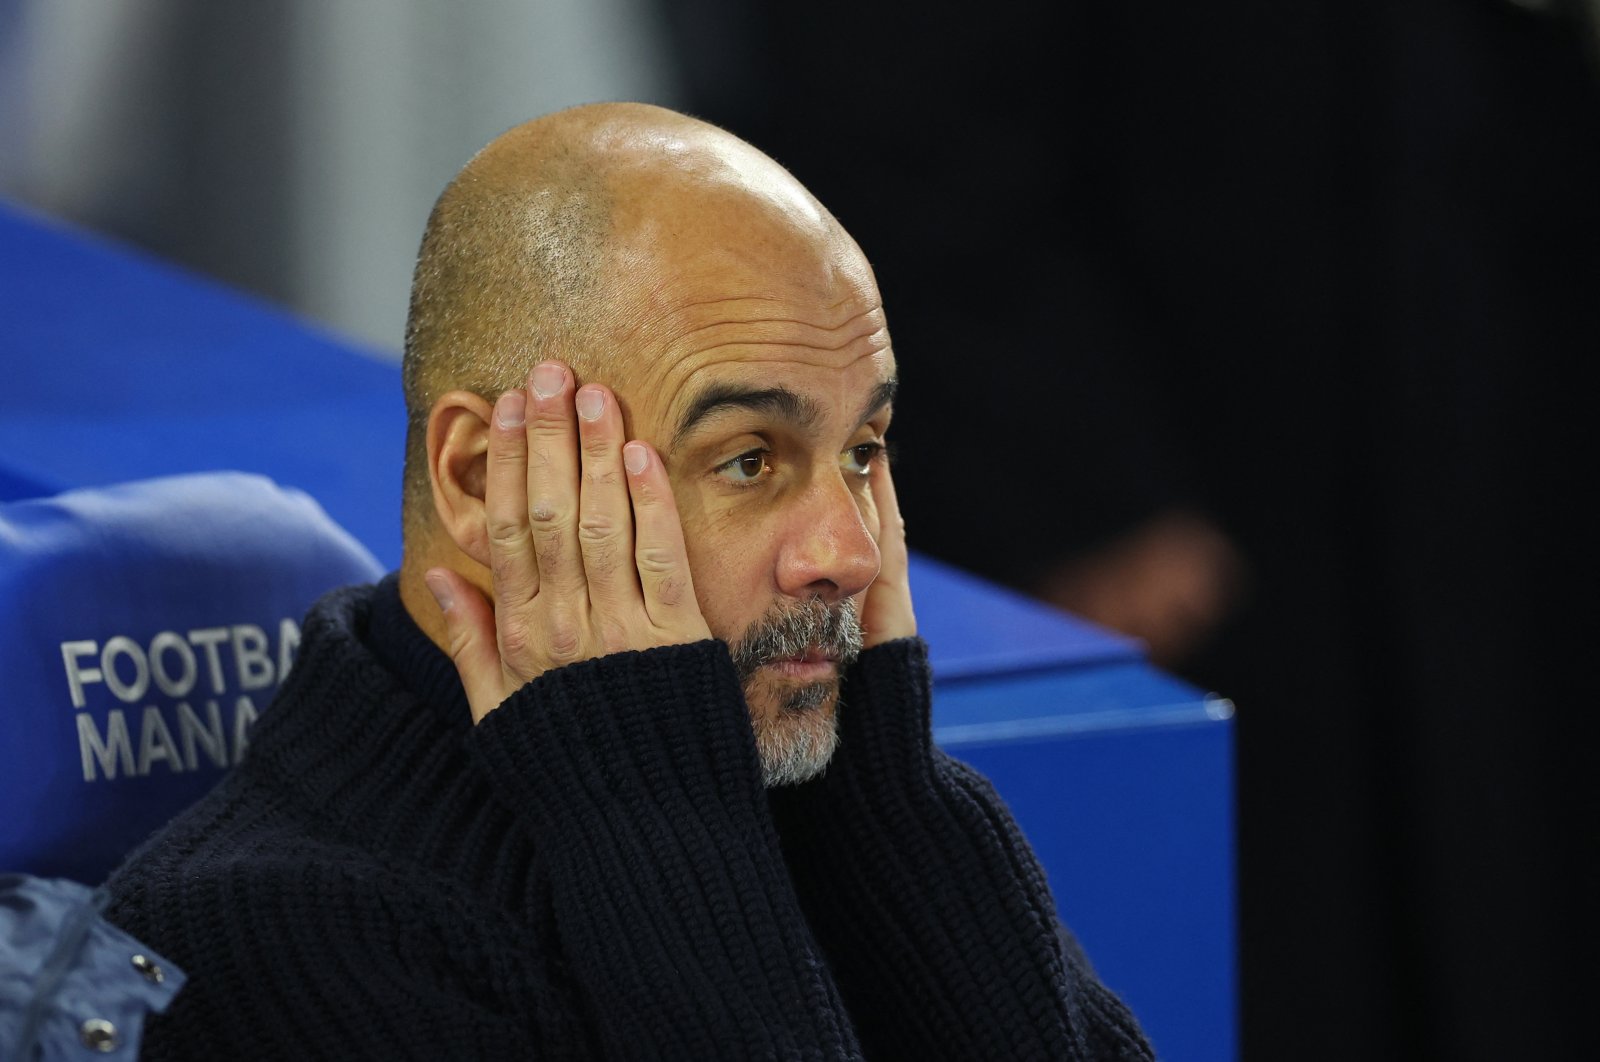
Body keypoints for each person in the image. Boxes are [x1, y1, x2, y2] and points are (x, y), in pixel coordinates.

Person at [101, 102, 1153, 1059]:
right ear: (478, 479)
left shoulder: (823, 807)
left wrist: (888, 813)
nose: (849, 552)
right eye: (749, 459)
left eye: (862, 449)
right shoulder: (278, 954)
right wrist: (659, 830)